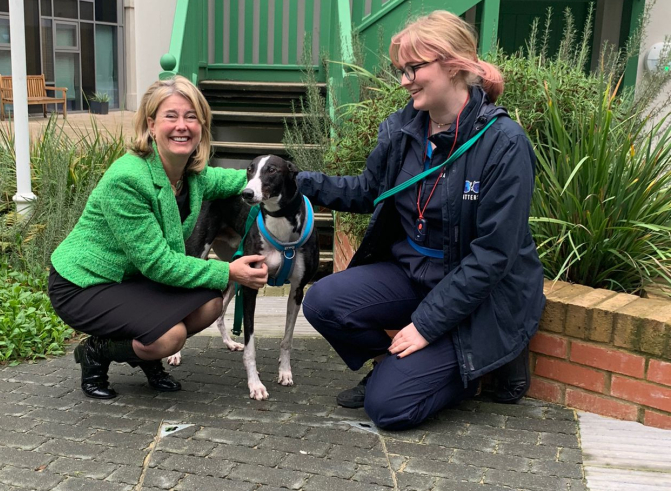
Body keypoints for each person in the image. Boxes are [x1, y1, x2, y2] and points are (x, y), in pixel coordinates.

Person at [298, 11, 546, 430]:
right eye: (401, 70)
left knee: (389, 410)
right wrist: (300, 181)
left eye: (414, 68)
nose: (404, 80)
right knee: (322, 302)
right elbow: (368, 191)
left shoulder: (504, 144)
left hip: (477, 295)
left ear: (453, 65)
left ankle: (472, 371)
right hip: (413, 274)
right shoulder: (401, 129)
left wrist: (426, 326)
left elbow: (492, 257)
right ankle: (397, 364)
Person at [48, 76, 268, 399]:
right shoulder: (128, 179)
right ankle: (97, 352)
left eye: (191, 117)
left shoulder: (191, 174)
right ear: (151, 124)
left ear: (202, 126)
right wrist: (230, 271)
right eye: (172, 116)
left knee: (210, 304)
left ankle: (143, 351)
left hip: (130, 280)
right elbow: (159, 264)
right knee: (170, 336)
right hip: (83, 283)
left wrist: (280, 181)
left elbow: (235, 180)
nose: (183, 126)